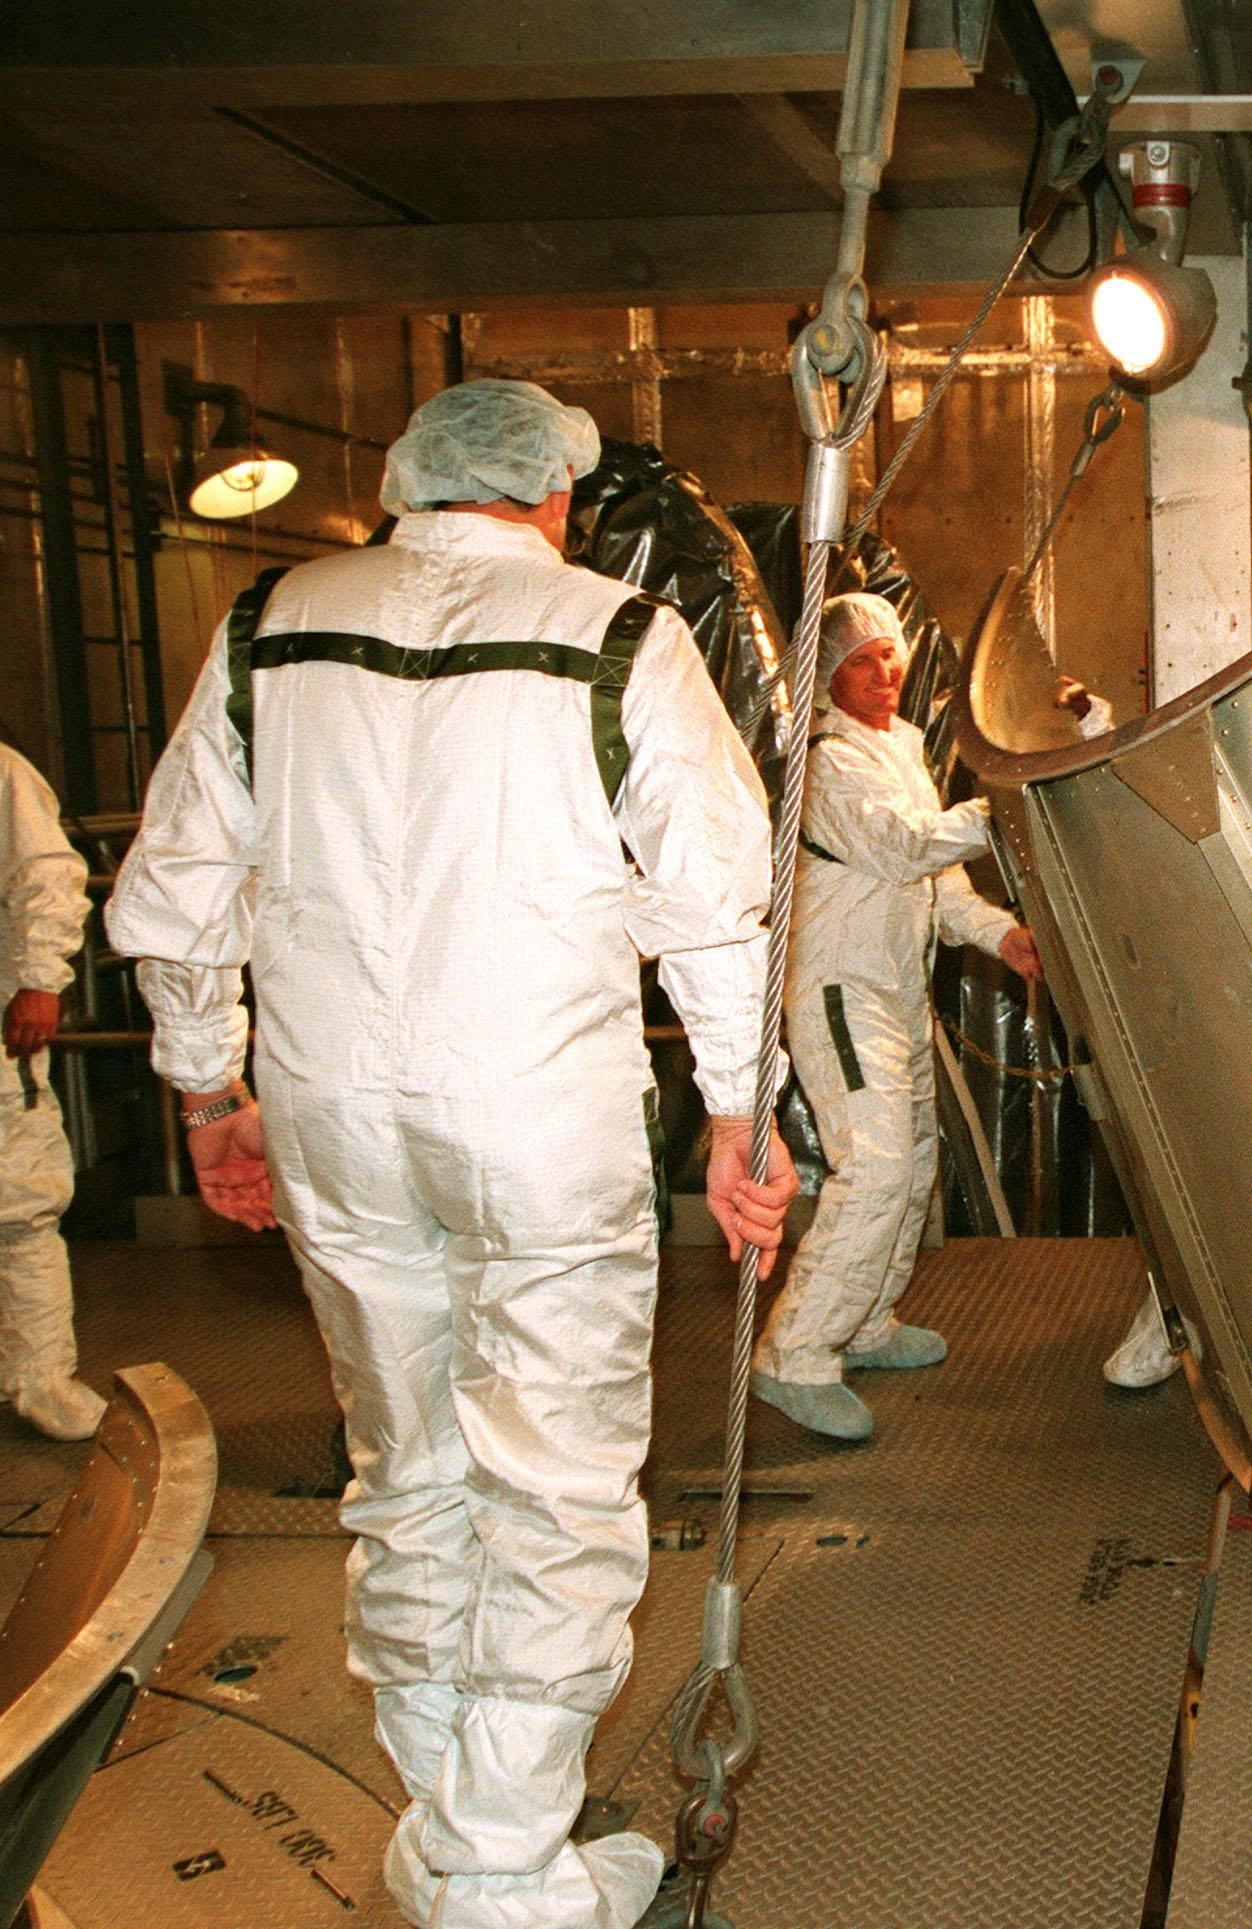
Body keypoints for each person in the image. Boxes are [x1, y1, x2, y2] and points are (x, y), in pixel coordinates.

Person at [106, 377, 798, 1929]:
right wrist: (744, 1111)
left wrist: (209, 1090)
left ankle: (452, 1819)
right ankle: (503, 1869)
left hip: (334, 1111)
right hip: (535, 1117)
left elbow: (175, 887)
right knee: (550, 1483)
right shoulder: (618, 634)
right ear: (556, 492)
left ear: (412, 481)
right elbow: (714, 894)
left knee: (401, 1464)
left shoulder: (270, 625)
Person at [750, 592, 1043, 1440]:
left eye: (889, 656)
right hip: (840, 989)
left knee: (912, 1163)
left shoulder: (902, 752)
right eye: (860, 661)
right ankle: (794, 1354)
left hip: (896, 987)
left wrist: (1002, 936)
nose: (882, 673)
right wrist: (1008, 805)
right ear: (828, 675)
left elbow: (939, 889)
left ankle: (864, 1322)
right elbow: (904, 846)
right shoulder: (826, 762)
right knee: (872, 1166)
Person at [0, 742, 101, 1442]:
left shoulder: (3, 772)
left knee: (18, 1204)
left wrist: (40, 978)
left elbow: (48, 873)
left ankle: (41, 1379)